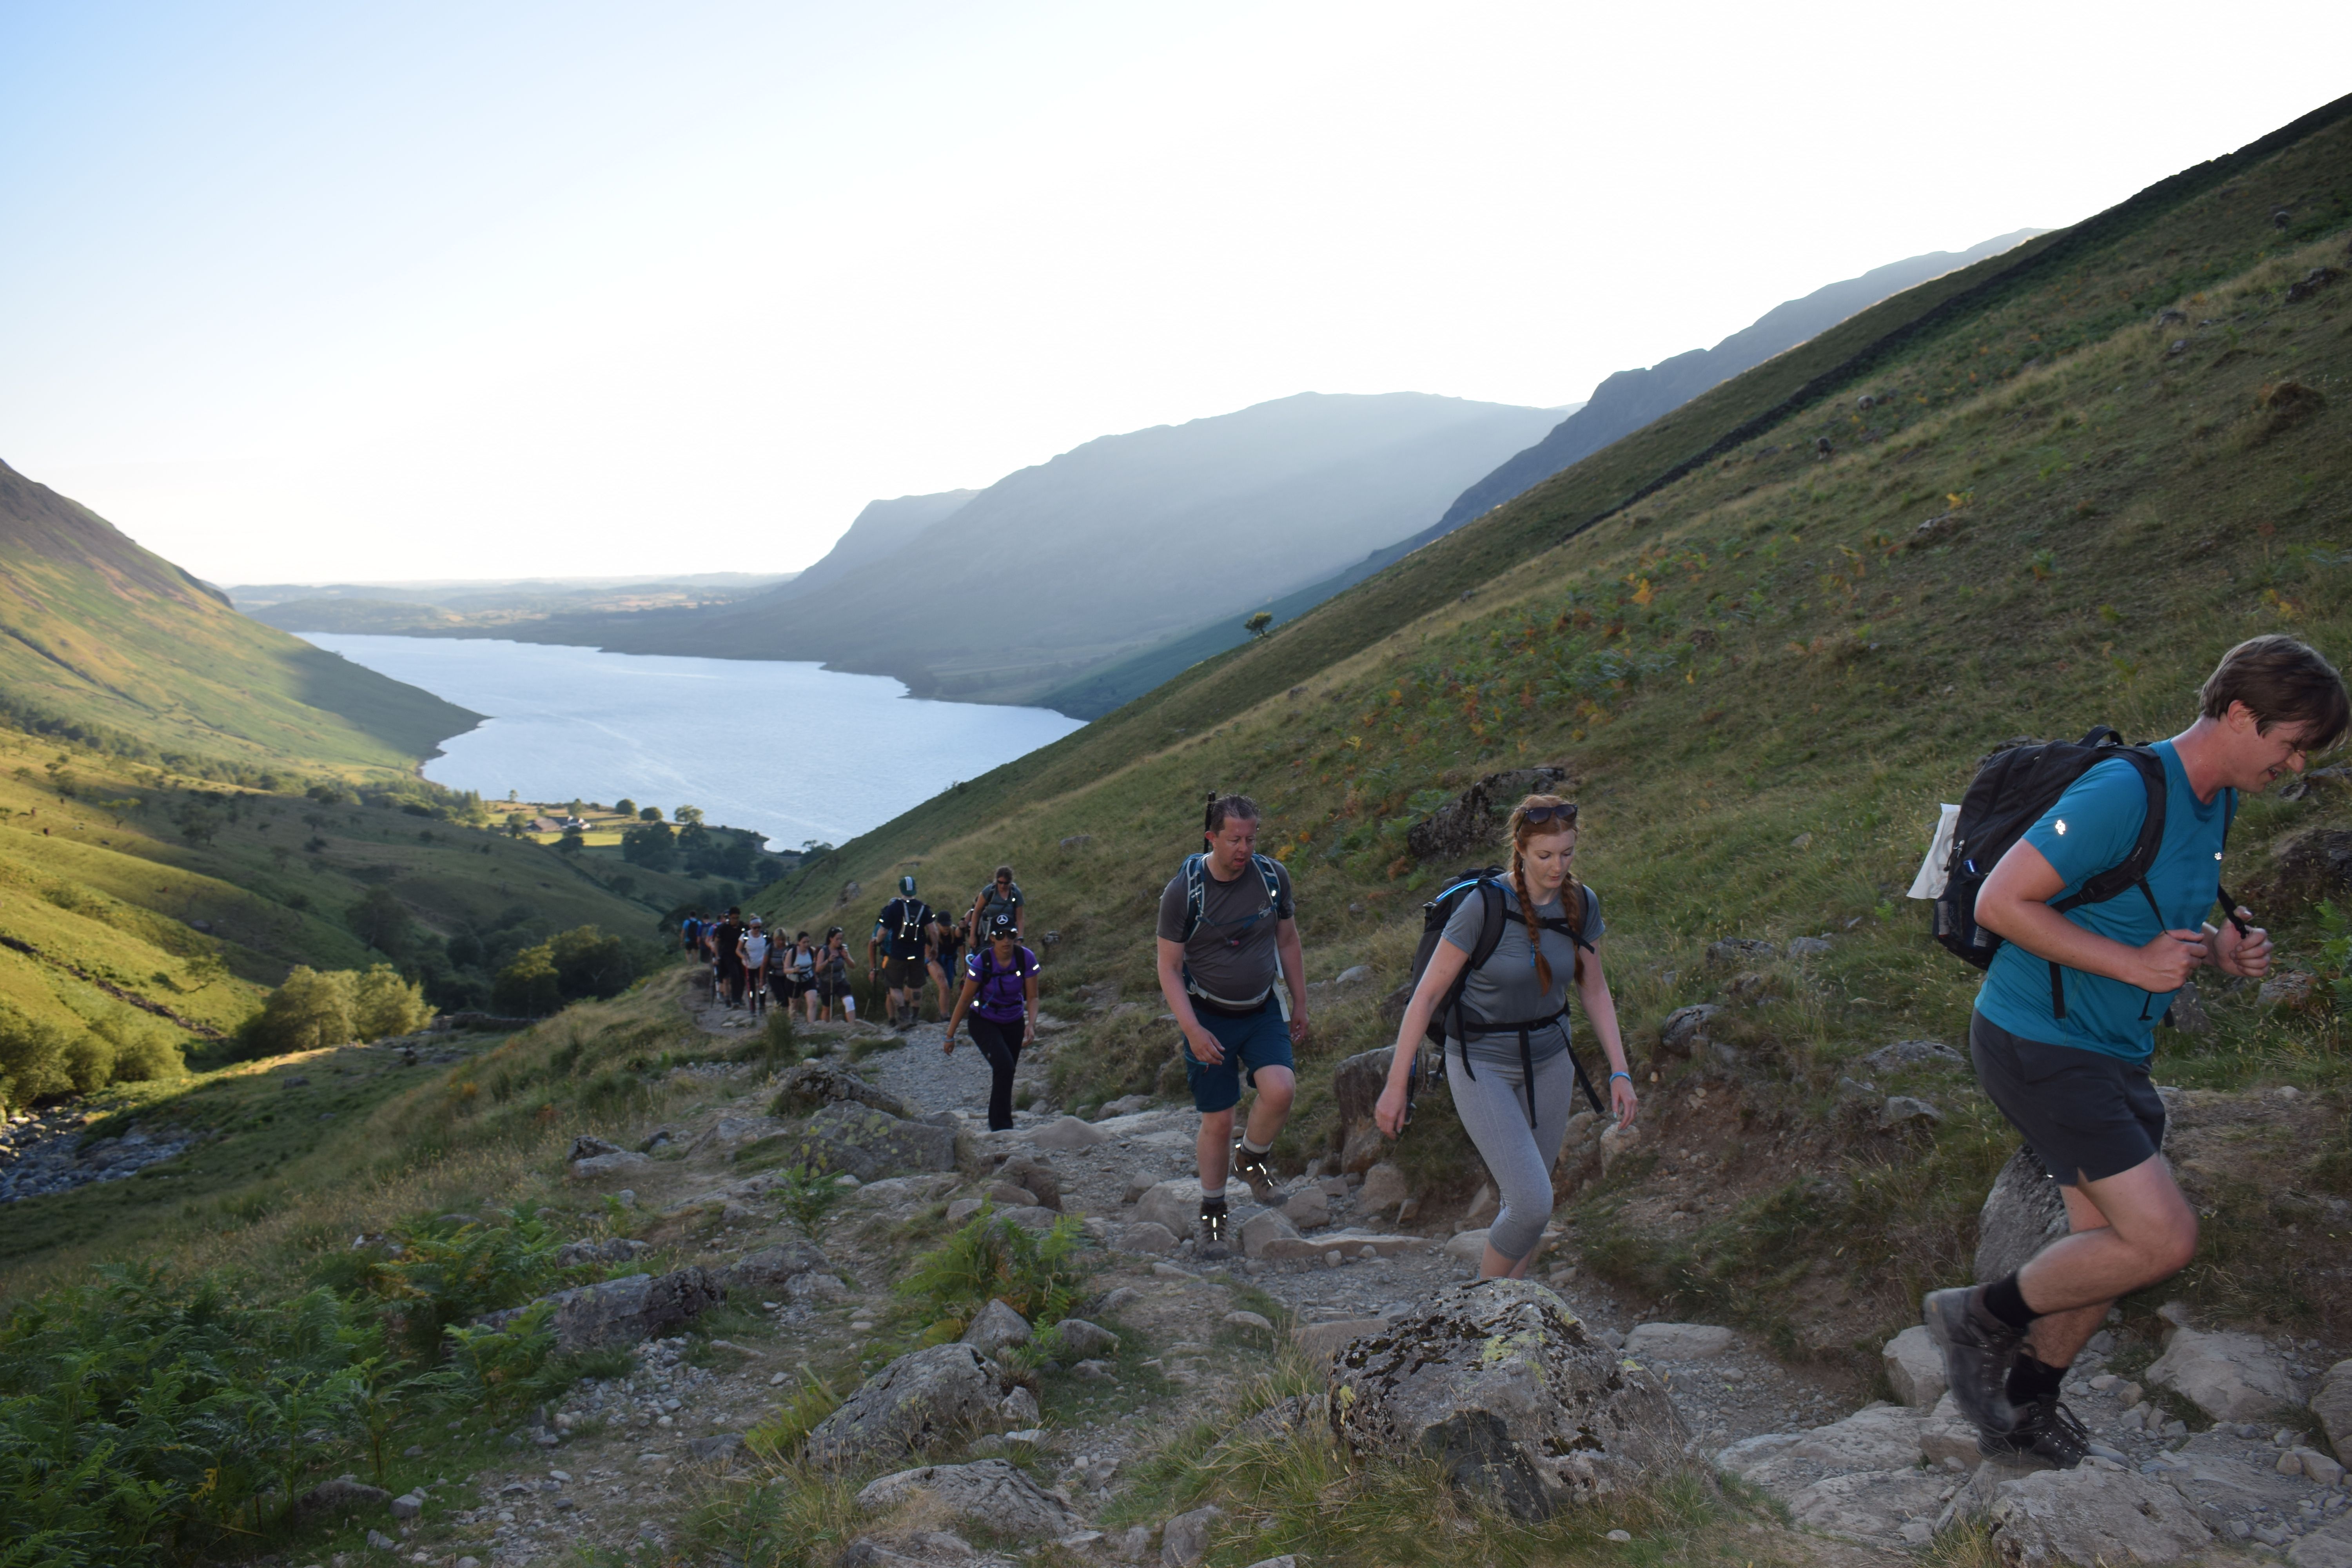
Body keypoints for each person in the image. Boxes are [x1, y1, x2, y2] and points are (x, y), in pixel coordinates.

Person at [1924, 635, 2347, 1469]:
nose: (2297, 766)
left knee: (2101, 1244)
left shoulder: (2214, 795)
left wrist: (2222, 949)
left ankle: (2026, 1403)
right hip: (2038, 1039)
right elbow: (2006, 900)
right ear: (2237, 713)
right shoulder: (2125, 789)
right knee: (2161, 1237)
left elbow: (2151, 908)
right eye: (2292, 743)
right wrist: (2132, 963)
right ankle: (1974, 1314)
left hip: (2112, 1045)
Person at [1372, 795, 1637, 1280]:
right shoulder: (1483, 906)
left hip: (1551, 1059)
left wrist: (1620, 1070)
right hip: (1482, 1064)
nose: (1558, 866)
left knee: (1528, 1206)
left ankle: (1511, 1325)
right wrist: (1396, 1084)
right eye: (1545, 856)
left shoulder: (1582, 903)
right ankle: (1480, 1315)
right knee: (1534, 1204)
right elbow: (1425, 998)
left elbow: (1594, 989)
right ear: (1520, 848)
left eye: (1567, 853)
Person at [1154, 793, 1308, 1258]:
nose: (1244, 848)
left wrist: (1300, 1000)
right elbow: (1168, 967)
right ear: (1212, 837)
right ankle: (1213, 1217)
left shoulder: (1271, 877)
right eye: (1234, 839)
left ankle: (1252, 1159)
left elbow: (1288, 939)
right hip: (1208, 1014)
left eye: (1251, 837)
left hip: (1262, 1007)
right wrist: (1193, 1030)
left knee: (1281, 1090)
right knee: (1219, 1121)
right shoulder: (1184, 891)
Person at [943, 911, 1041, 1131]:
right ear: (992, 938)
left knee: (1007, 1071)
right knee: (1004, 1067)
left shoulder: (1027, 958)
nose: (1007, 940)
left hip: (1014, 1021)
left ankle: (1001, 1123)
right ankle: (1001, 1128)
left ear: (1016, 936)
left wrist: (1031, 1024)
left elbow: (1033, 997)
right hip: (983, 1021)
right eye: (1001, 935)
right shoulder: (982, 962)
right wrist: (950, 1035)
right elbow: (965, 999)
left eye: (1011, 935)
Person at [870, 876, 935, 1029]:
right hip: (918, 954)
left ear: (901, 890)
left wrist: (878, 941)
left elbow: (883, 931)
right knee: (916, 985)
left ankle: (903, 1015)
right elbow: (933, 931)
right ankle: (915, 1016)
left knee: (894, 986)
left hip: (898, 954)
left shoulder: (894, 908)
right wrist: (935, 948)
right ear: (915, 889)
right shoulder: (923, 908)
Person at [927, 905, 965, 1022]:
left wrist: (966, 972)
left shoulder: (956, 935)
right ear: (938, 925)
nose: (946, 928)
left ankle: (946, 1013)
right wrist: (938, 969)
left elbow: (963, 954)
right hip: (933, 960)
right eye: (943, 925)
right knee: (943, 985)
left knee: (948, 986)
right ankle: (945, 1015)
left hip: (950, 961)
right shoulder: (932, 936)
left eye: (948, 925)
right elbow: (928, 955)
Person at [970, 865, 1025, 947]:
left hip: (1008, 933)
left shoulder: (1016, 894)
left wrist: (1020, 939)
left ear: (1011, 882)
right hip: (988, 933)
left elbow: (1020, 918)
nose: (1003, 886)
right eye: (1000, 882)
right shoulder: (989, 891)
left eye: (1006, 883)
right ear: (996, 880)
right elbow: (977, 912)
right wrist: (972, 936)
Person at [814, 926, 859, 1024]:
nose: (839, 941)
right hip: (827, 983)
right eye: (837, 939)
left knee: (849, 1002)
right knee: (827, 1008)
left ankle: (852, 1026)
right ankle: (825, 1028)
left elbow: (853, 966)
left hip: (841, 981)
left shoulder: (842, 950)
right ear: (831, 939)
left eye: (841, 939)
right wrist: (828, 961)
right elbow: (818, 969)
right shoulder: (824, 951)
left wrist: (846, 957)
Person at [711, 906, 746, 1009]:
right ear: (730, 917)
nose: (736, 920)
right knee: (734, 975)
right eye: (734, 918)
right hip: (727, 955)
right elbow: (716, 942)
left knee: (742, 978)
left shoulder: (743, 927)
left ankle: (739, 998)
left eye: (738, 918)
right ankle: (735, 1000)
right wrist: (717, 956)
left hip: (740, 955)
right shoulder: (723, 928)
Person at [737, 917, 771, 1015]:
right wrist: (743, 957)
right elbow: (738, 950)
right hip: (749, 966)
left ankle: (762, 1006)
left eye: (759, 927)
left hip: (762, 966)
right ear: (751, 927)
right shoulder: (745, 936)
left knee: (762, 985)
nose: (757, 930)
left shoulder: (764, 936)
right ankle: (752, 1007)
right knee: (751, 988)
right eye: (755, 928)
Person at [791, 931, 820, 1022]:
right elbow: (786, 969)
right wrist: (794, 970)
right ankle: (792, 1025)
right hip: (794, 979)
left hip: (809, 977)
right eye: (804, 942)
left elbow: (814, 965)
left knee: (813, 1002)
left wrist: (816, 977)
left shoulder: (812, 951)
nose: (807, 944)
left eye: (808, 942)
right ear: (799, 943)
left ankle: (811, 1026)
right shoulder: (792, 952)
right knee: (794, 1006)